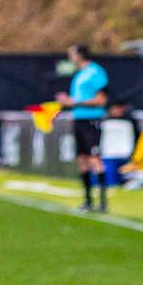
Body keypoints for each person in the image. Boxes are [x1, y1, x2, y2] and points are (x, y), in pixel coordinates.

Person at [56, 44, 110, 212]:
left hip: (91, 120)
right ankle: (88, 200)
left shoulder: (95, 72)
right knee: (82, 159)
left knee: (95, 158)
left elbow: (101, 100)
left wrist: (75, 102)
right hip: (78, 119)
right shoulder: (79, 75)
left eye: (71, 53)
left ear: (80, 55)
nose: (70, 57)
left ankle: (102, 202)